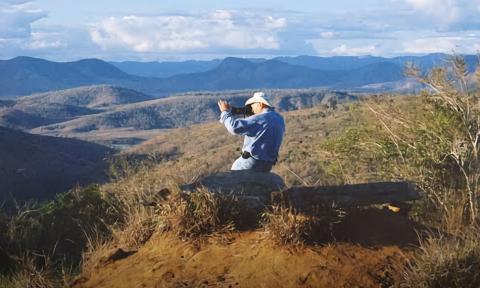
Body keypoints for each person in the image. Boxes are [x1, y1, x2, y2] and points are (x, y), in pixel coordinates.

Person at [218, 92, 285, 172]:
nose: (251, 108)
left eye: (252, 104)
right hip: (267, 165)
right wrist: (233, 110)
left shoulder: (259, 118)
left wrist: (225, 112)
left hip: (251, 162)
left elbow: (234, 128)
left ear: (260, 104)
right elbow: (256, 117)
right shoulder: (279, 118)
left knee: (233, 179)